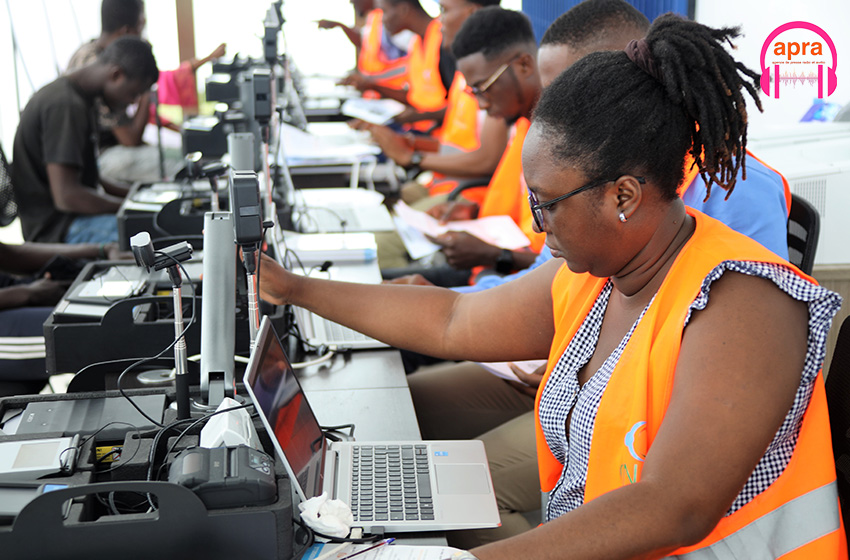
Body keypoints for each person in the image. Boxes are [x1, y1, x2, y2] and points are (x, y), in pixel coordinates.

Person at [257, 12, 844, 559]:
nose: (536, 226)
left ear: (623, 196)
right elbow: (453, 321)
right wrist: (295, 289)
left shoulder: (744, 300)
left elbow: (675, 506)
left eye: (547, 206)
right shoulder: (600, 277)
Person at [405, 0, 796, 547]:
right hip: (569, 374)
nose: (557, 106)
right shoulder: (591, 197)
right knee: (408, 414)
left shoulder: (729, 206)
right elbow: (535, 292)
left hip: (654, 424)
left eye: (573, 86)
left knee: (452, 489)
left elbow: (715, 353)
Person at [382, 8, 545, 287]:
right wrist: (471, 212)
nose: (481, 104)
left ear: (525, 66)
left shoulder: (554, 141)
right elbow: (514, 204)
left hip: (510, 278)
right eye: (475, 92)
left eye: (484, 88)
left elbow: (555, 269)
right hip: (490, 259)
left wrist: (496, 255)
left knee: (386, 275)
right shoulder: (522, 125)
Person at [13, 36, 159, 244]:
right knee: (153, 233)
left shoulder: (80, 98)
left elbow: (90, 180)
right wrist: (129, 206)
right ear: (116, 75)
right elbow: (67, 196)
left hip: (71, 219)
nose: (132, 102)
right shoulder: (65, 105)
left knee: (151, 222)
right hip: (57, 230)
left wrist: (136, 196)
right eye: (133, 94)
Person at [364, 0, 507, 207]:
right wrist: (409, 142)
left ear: (473, 14)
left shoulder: (494, 78)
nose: (438, 21)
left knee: (388, 226)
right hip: (446, 180)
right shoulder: (464, 70)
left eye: (444, 11)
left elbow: (486, 161)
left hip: (467, 193)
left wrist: (412, 156)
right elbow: (456, 143)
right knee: (391, 203)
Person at [0, 241, 123, 396]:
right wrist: (28, 293)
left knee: (123, 304)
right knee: (104, 333)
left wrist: (102, 250)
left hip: (14, 290)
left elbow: (9, 254)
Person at [343, 0, 452, 129]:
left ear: (403, 10)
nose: (382, 20)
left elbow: (460, 104)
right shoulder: (416, 42)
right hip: (420, 129)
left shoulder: (444, 41)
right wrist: (372, 86)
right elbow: (415, 97)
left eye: (385, 12)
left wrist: (417, 116)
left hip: (440, 136)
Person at [319, 0, 412, 94]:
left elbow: (412, 63)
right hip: (378, 94)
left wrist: (370, 80)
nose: (351, 2)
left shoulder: (390, 20)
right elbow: (363, 42)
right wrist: (339, 25)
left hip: (397, 94)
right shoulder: (374, 18)